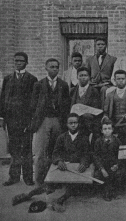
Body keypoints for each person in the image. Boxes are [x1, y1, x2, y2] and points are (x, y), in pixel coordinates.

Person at [30, 58, 71, 187]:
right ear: (46, 68)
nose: (54, 69)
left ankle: (55, 181)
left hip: (58, 120)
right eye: (51, 67)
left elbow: (67, 104)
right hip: (43, 120)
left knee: (56, 151)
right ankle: (39, 182)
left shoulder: (63, 85)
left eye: (56, 67)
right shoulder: (38, 84)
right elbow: (33, 105)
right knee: (41, 152)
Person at [0, 52, 37, 186]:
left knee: (26, 148)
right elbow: (3, 99)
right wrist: (2, 117)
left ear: (26, 63)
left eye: (21, 61)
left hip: (26, 120)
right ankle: (14, 177)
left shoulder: (32, 79)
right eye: (16, 61)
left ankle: (28, 177)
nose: (18, 63)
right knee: (14, 149)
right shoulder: (8, 79)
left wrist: (32, 120)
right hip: (11, 120)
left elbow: (34, 101)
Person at [50, 113, 91, 212]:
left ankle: (61, 200)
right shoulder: (62, 137)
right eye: (71, 123)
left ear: (79, 124)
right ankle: (27, 195)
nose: (73, 125)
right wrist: (59, 161)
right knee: (51, 182)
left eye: (75, 123)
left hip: (77, 168)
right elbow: (55, 152)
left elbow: (87, 154)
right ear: (67, 124)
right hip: (65, 166)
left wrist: (83, 164)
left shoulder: (84, 138)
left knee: (75, 186)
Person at [93, 117, 122, 201]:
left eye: (109, 128)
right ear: (101, 131)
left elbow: (120, 155)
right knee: (98, 175)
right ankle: (105, 190)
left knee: (118, 174)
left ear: (112, 129)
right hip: (103, 166)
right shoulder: (98, 141)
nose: (107, 131)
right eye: (105, 129)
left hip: (114, 165)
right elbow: (96, 156)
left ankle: (113, 190)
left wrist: (117, 165)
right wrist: (101, 168)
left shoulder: (117, 141)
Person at [70, 66, 102, 140]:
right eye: (81, 75)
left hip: (89, 122)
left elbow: (96, 110)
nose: (83, 78)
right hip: (75, 122)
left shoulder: (94, 91)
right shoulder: (72, 91)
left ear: (89, 77)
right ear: (77, 77)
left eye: (85, 75)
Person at [85, 37, 117, 105]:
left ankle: (103, 112)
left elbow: (114, 74)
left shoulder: (112, 59)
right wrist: (90, 82)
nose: (100, 46)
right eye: (98, 44)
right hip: (94, 84)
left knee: (103, 90)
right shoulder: (90, 59)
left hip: (106, 84)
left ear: (106, 46)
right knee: (92, 91)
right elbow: (87, 73)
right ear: (95, 46)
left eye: (102, 44)